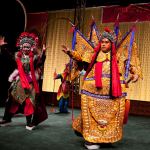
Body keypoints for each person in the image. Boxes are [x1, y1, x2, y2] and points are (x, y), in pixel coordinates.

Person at [62, 27, 142, 149]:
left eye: (106, 42)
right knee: (92, 115)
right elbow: (80, 57)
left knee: (110, 116)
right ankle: (91, 140)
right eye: (102, 42)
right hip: (92, 91)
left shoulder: (118, 56)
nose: (103, 44)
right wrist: (70, 52)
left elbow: (129, 65)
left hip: (113, 93)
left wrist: (135, 73)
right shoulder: (94, 54)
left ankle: (105, 139)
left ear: (111, 44)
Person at [0, 32, 47, 130]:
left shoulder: (34, 57)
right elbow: (9, 56)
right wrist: (3, 47)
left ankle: (29, 122)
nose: (25, 48)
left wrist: (43, 53)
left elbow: (41, 62)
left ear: (31, 48)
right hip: (19, 82)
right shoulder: (18, 56)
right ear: (21, 47)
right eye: (24, 47)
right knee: (11, 100)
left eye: (27, 47)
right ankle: (7, 118)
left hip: (30, 82)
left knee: (29, 102)